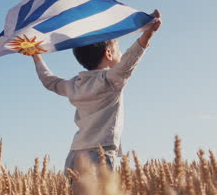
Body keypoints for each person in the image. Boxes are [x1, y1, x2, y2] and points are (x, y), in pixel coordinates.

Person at [32, 10, 162, 174]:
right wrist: (147, 35)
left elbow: (49, 81)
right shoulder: (110, 80)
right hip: (100, 153)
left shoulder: (74, 85)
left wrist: (36, 57)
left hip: (74, 155)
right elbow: (129, 61)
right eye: (118, 49)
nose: (121, 54)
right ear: (108, 54)